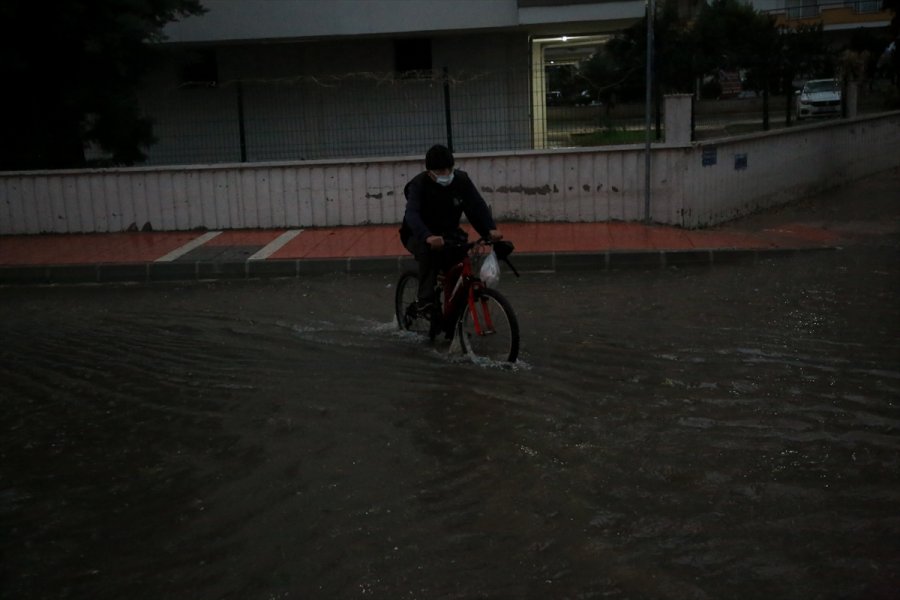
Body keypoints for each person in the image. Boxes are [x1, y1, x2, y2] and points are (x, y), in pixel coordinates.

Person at [400, 144, 503, 310]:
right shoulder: (418, 185)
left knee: (460, 266)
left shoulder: (461, 180)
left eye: (449, 169)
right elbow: (412, 215)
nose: (446, 175)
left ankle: (453, 320)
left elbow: (476, 206)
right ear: (429, 171)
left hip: (449, 233)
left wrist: (490, 229)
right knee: (430, 255)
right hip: (418, 234)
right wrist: (427, 236)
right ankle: (425, 301)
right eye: (440, 172)